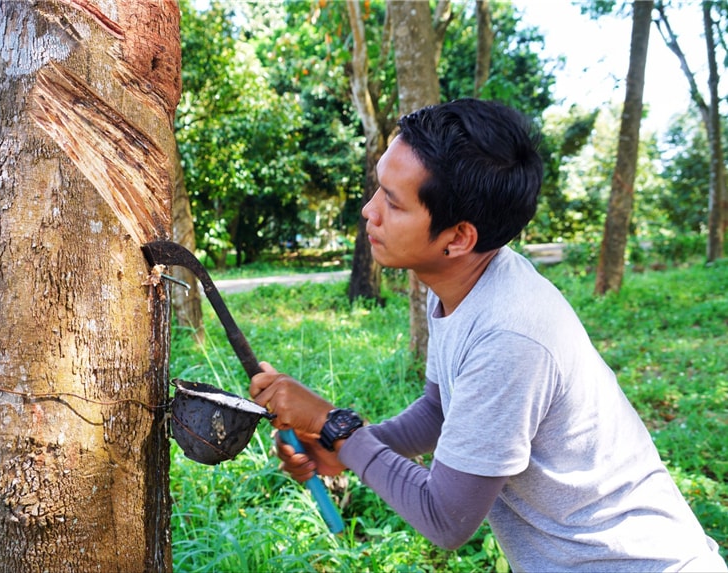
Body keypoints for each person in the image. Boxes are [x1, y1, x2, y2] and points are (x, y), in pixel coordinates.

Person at [250, 99, 727, 572]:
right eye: (379, 190)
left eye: (393, 203)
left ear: (458, 238)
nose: (368, 211)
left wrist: (338, 427)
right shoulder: (466, 286)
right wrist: (347, 448)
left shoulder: (510, 334)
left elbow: (445, 519)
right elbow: (440, 410)